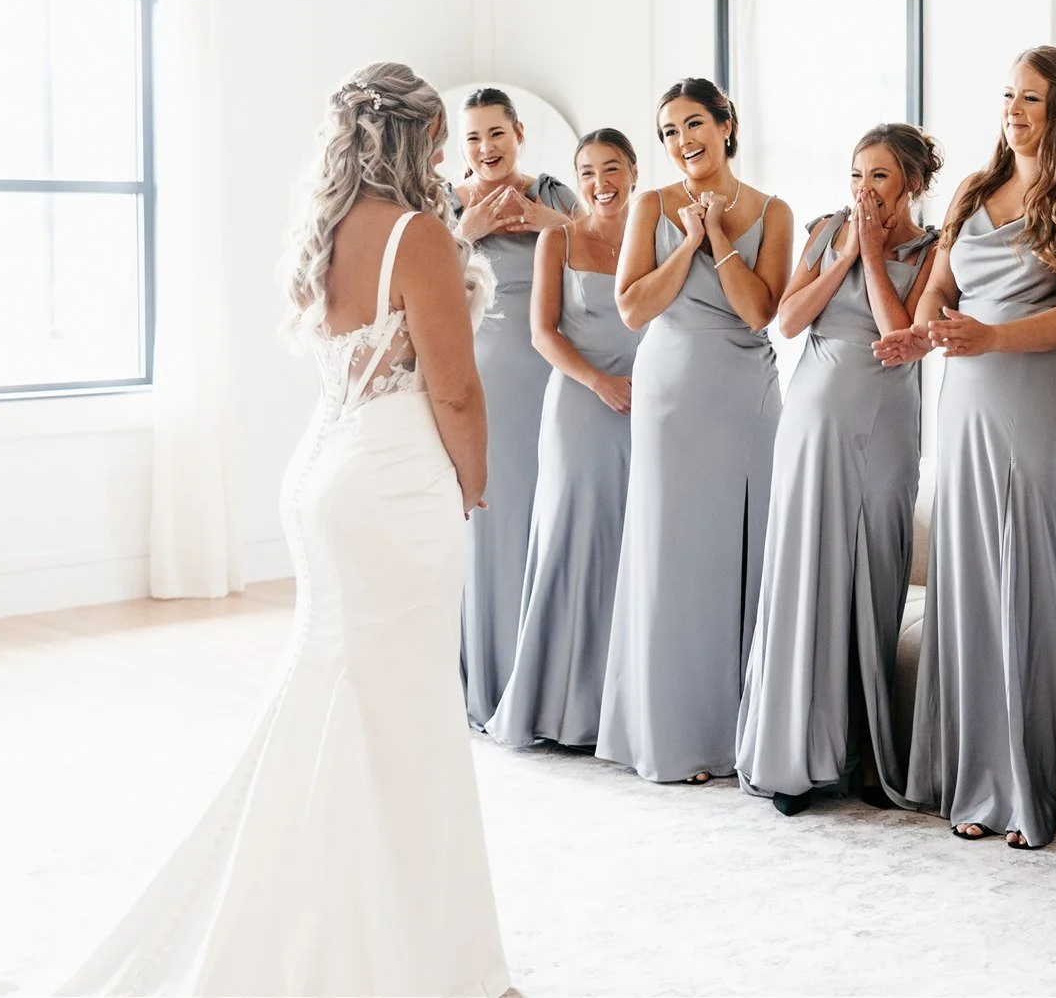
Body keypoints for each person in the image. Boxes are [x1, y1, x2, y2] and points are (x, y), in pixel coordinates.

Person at [61, 63, 508, 995]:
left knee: (340, 703)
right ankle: (436, 963)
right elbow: (456, 388)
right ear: (424, 140)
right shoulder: (419, 235)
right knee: (413, 718)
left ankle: (345, 930)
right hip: (392, 487)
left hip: (323, 472)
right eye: (441, 137)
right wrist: (474, 482)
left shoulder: (331, 228)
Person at [875, 46, 1056, 849]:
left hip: (1041, 393)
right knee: (968, 574)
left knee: (1028, 575)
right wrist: (918, 334)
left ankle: (1024, 783)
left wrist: (992, 335)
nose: (1014, 109)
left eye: (1031, 99)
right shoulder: (975, 188)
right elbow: (941, 286)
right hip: (967, 391)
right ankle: (973, 775)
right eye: (1008, 94)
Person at [735, 123, 943, 815]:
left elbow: (901, 338)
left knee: (874, 576)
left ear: (910, 181)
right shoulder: (827, 229)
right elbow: (787, 321)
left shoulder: (934, 248)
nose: (862, 189)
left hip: (885, 428)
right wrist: (845, 256)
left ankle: (859, 754)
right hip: (810, 425)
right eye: (856, 174)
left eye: (879, 176)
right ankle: (795, 754)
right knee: (803, 575)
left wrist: (877, 258)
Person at [596, 78, 792, 783]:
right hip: (669, 399)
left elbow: (758, 312)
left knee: (741, 555)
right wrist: (686, 245)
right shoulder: (650, 206)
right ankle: (674, 733)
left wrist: (719, 236)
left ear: (726, 122)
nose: (683, 141)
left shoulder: (773, 210)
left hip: (746, 399)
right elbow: (631, 307)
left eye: (694, 124)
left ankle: (744, 732)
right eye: (670, 131)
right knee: (672, 555)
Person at [486, 129, 643, 751]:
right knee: (575, 538)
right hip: (581, 402)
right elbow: (543, 333)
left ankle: (622, 703)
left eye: (611, 169)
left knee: (635, 544)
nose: (600, 183)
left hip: (647, 406)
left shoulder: (656, 236)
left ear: (633, 171)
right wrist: (599, 382)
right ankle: (560, 706)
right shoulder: (559, 237)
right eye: (587, 173)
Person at [450, 86, 575, 729]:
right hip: (473, 380)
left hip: (547, 378)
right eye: (472, 137)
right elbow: (413, 288)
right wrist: (464, 232)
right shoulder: (445, 207)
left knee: (542, 517)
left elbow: (603, 253)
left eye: (496, 133)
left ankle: (543, 681)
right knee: (487, 523)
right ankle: (487, 677)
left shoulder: (554, 194)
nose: (485, 147)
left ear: (519, 132)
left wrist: (547, 223)